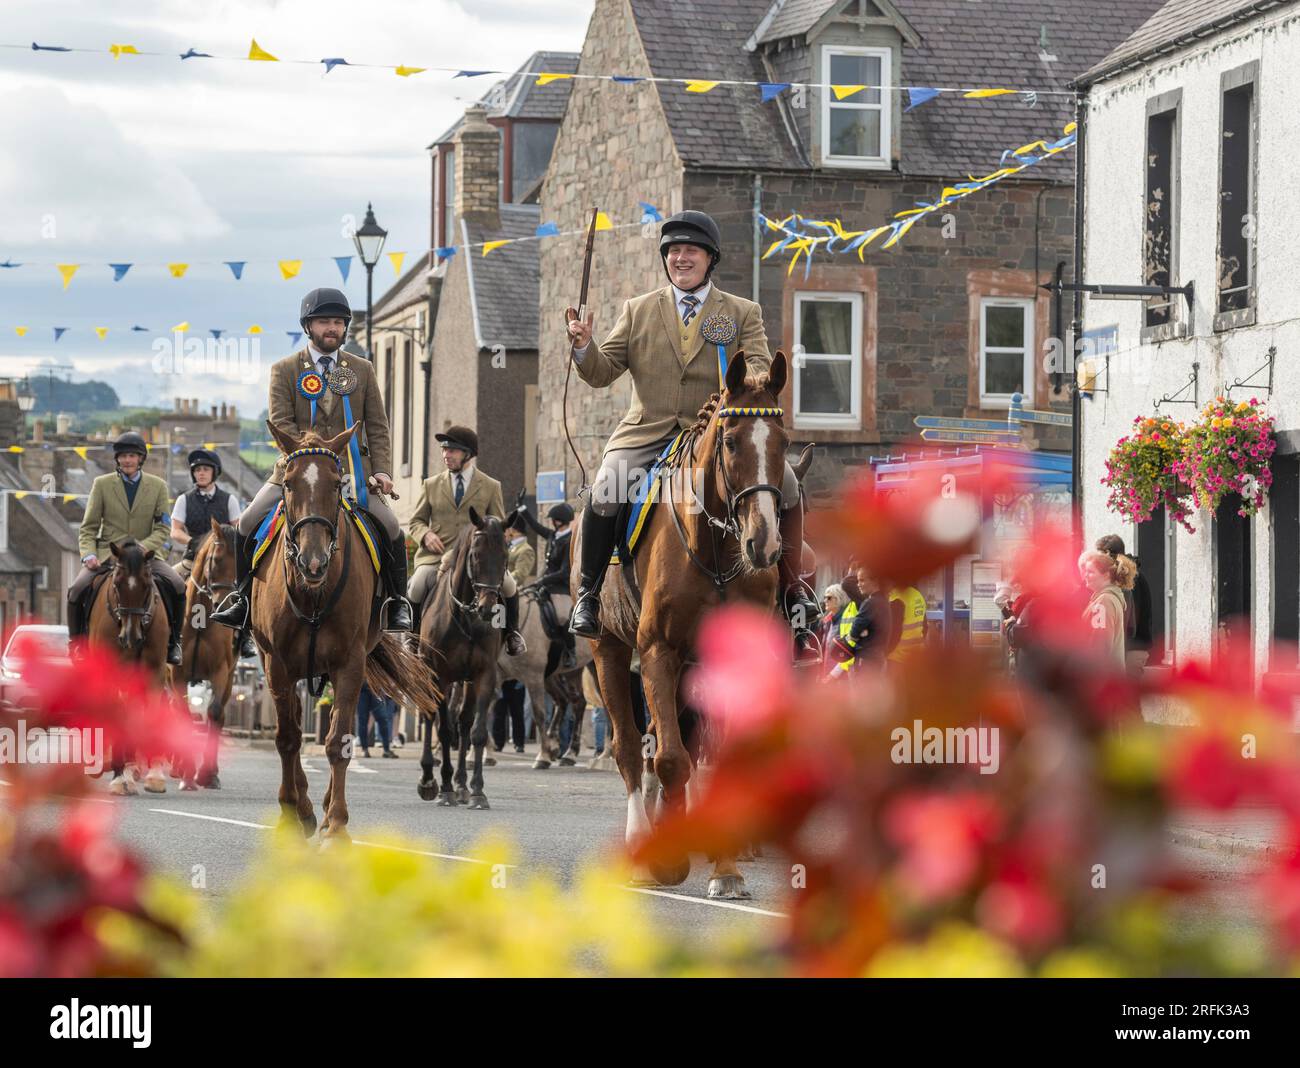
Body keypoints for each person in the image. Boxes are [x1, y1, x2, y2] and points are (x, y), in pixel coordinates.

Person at [564, 209, 819, 640]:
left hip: (716, 434)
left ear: (710, 259)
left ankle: (794, 591)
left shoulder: (742, 312)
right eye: (673, 251)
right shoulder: (638, 310)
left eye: (691, 251)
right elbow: (602, 371)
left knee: (790, 485)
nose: (681, 259)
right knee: (606, 487)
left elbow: (757, 363)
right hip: (647, 432)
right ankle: (589, 595)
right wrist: (585, 346)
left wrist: (749, 381)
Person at [211, 288, 412, 633]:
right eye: (324, 322)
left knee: (393, 529)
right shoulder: (285, 370)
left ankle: (396, 604)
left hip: (351, 475)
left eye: (338, 322)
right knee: (246, 523)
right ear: (308, 326)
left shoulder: (361, 370)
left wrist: (380, 470)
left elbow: (377, 426)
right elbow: (282, 423)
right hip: (297, 472)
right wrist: (314, 454)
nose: (332, 329)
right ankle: (242, 600)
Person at [405, 425, 525, 655]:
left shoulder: (491, 486)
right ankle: (412, 636)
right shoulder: (431, 484)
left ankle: (512, 634)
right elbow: (416, 522)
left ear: (468, 454)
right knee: (417, 585)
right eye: (444, 450)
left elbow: (499, 524)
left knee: (510, 586)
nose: (445, 455)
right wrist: (426, 534)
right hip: (436, 557)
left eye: (452, 450)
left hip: (477, 559)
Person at [67, 431, 186, 665]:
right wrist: (89, 554)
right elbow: (88, 527)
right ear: (117, 459)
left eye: (132, 455)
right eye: (122, 456)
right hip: (110, 554)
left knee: (178, 585)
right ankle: (77, 644)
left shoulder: (158, 486)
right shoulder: (101, 485)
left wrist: (144, 547)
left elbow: (163, 528)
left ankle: (173, 643)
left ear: (141, 458)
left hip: (146, 556)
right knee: (76, 589)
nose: (127, 460)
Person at [171, 448, 254, 659]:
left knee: (247, 586)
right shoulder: (184, 499)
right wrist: (194, 542)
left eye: (205, 469)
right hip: (193, 558)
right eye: (197, 470)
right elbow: (175, 530)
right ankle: (171, 639)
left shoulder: (229, 500)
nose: (201, 473)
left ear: (214, 473)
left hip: (224, 560)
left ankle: (245, 639)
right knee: (167, 583)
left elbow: (239, 529)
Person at [519, 501, 578, 671]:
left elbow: (565, 572)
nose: (551, 521)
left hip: (561, 588)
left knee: (561, 616)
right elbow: (536, 528)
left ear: (559, 520)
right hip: (545, 585)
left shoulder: (569, 540)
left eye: (553, 519)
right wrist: (523, 509)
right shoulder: (553, 535)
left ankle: (571, 652)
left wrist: (543, 580)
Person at [1096, 534, 1154, 674]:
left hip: (1132, 648)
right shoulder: (1129, 574)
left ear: (1109, 555)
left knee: (1127, 692)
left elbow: (1128, 619)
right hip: (1130, 646)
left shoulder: (1129, 577)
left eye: (1100, 557)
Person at [1078, 548, 1134, 671]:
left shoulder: (1104, 602)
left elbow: (1100, 647)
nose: (1085, 576)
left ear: (1106, 575)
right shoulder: (1107, 598)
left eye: (1090, 572)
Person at [886, 584, 929, 665]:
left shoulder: (895, 598)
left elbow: (894, 633)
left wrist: (884, 653)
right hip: (916, 655)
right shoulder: (917, 595)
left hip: (897, 658)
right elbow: (925, 627)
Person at [356, 682, 398, 758]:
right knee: (363, 720)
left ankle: (386, 749)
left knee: (382, 719)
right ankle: (364, 749)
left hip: (375, 689)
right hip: (362, 689)